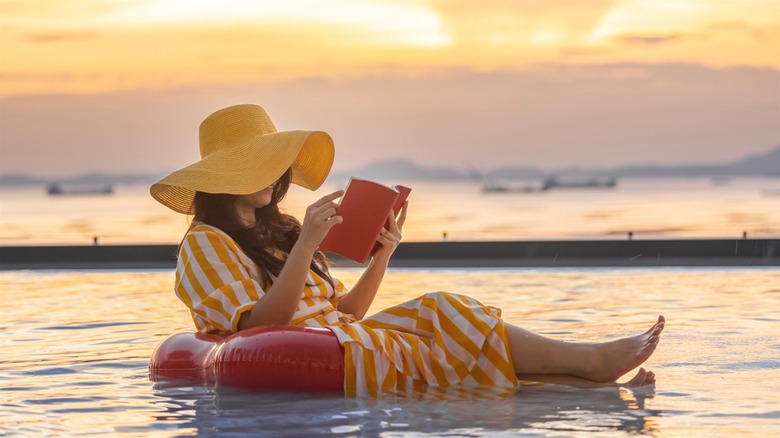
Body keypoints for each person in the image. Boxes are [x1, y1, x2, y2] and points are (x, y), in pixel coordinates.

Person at [151, 104, 665, 397]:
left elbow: (345, 313)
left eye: (271, 163)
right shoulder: (204, 245)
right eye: (253, 166)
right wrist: (308, 244)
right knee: (440, 325)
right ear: (222, 179)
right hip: (299, 349)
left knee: (445, 308)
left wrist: (381, 257)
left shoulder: (280, 230)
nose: (270, 177)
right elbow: (259, 326)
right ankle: (592, 361)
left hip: (338, 338)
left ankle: (592, 382)